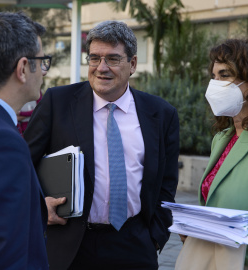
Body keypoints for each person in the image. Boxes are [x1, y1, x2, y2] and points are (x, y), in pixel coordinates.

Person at [24, 20, 179, 270]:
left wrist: (155, 237)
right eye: (94, 58)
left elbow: (166, 184)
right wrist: (40, 206)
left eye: (113, 59)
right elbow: (22, 165)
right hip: (70, 245)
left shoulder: (161, 114)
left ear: (133, 64)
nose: (101, 68)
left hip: (135, 245)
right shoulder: (58, 103)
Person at [0, 11, 52, 269]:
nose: (44, 71)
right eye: (42, 61)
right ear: (22, 68)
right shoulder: (1, 141)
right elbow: (3, 255)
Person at [175, 38, 248, 270]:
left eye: (225, 75)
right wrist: (194, 226)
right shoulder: (222, 138)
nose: (215, 84)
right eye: (214, 76)